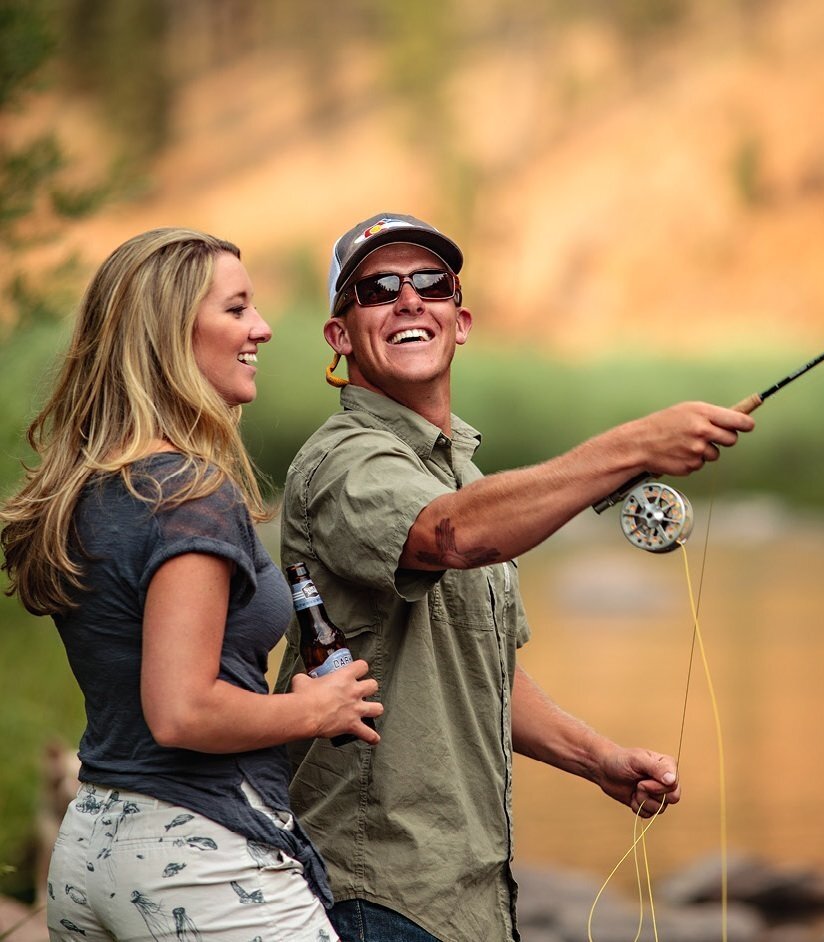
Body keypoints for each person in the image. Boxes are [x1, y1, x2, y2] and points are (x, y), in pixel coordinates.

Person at [275, 213, 756, 942]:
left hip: (468, 894)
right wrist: (633, 444)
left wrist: (597, 759)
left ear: (459, 321)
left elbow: (481, 666)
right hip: (373, 889)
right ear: (339, 337)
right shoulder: (344, 462)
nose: (409, 300)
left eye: (429, 283)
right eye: (376, 289)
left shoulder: (459, 472)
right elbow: (451, 533)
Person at [0, 227, 382, 941]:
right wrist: (316, 710)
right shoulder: (186, 493)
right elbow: (182, 712)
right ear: (172, 336)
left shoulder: (88, 489)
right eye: (236, 310)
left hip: (91, 846)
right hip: (196, 860)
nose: (261, 329)